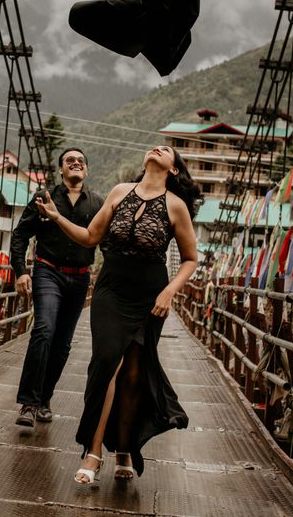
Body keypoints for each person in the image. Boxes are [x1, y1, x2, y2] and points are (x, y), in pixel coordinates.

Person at [34, 145, 200, 485]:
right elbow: (90, 236)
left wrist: (169, 292)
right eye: (155, 146)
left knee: (134, 374)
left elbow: (190, 259)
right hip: (110, 292)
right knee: (106, 364)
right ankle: (93, 452)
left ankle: (124, 449)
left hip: (150, 296)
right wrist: (56, 217)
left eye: (166, 149)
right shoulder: (120, 192)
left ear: (173, 169)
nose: (157, 148)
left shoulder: (176, 206)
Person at [10, 147, 104, 428]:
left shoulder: (97, 204)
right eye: (69, 161)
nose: (75, 163)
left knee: (62, 344)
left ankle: (44, 399)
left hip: (80, 278)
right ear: (61, 170)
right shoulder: (44, 198)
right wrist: (20, 272)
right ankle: (28, 403)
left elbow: (107, 243)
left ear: (85, 170)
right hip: (47, 272)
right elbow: (20, 235)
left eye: (80, 161)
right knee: (43, 331)